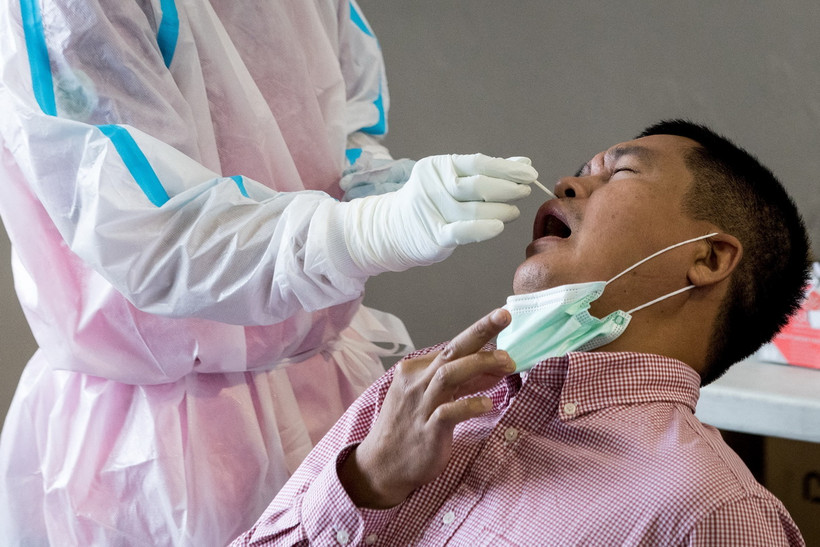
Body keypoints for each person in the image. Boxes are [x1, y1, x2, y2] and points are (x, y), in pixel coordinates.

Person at [0, 2, 538, 546]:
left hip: (326, 387)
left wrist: (377, 189)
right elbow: (150, 232)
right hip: (157, 444)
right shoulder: (72, 12)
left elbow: (335, 132)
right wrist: (362, 231)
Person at [234, 120, 811, 546]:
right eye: (580, 173)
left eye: (621, 171)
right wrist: (365, 482)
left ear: (707, 258)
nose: (566, 184)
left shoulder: (709, 513)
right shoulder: (419, 392)